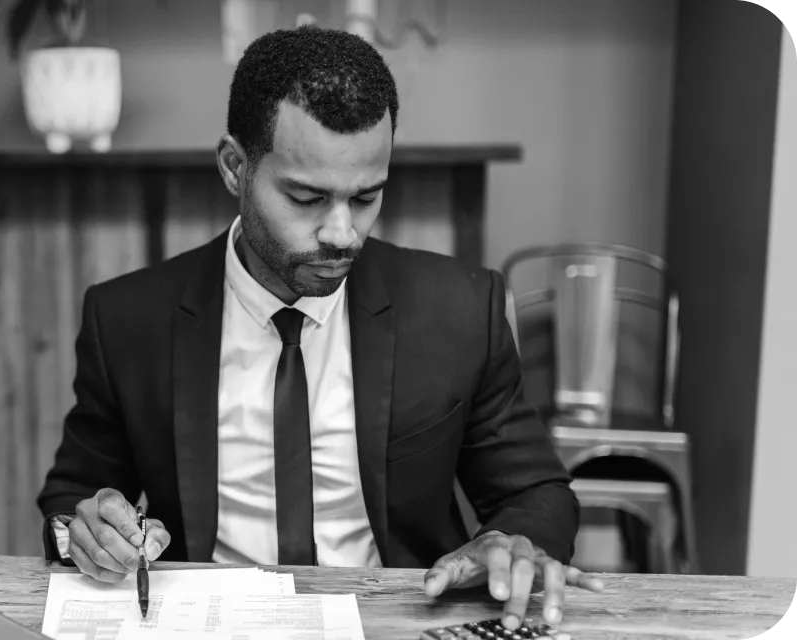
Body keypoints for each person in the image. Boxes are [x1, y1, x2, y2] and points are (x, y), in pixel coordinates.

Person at [37, 25, 604, 631]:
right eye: (307, 197)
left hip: (397, 620)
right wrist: (87, 527)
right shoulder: (129, 318)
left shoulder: (461, 310)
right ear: (236, 167)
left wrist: (513, 539)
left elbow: (537, 492)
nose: (342, 233)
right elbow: (75, 496)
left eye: (366, 197)